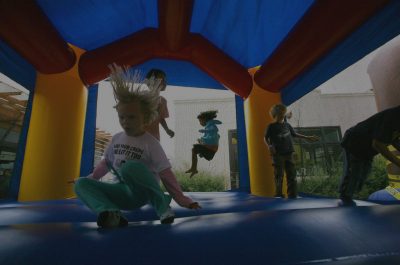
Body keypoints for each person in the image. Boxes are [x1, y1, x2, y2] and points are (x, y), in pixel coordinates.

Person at [74, 64, 200, 228]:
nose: (125, 122)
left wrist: (182, 199)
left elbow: (165, 172)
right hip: (122, 192)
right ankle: (111, 213)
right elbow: (107, 163)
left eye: (131, 117)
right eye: (122, 117)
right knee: (81, 183)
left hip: (141, 191)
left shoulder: (152, 138)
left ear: (146, 117)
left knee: (130, 167)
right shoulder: (118, 137)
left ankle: (162, 206)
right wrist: (91, 179)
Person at [339, 105, 400, 206]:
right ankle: (345, 199)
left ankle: (349, 196)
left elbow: (393, 139)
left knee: (363, 175)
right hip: (354, 143)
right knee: (354, 173)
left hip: (367, 150)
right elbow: (377, 144)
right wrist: (397, 162)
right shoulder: (393, 117)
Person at [264, 104, 319, 199]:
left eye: (283, 113)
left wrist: (307, 137)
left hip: (289, 153)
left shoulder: (287, 125)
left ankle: (292, 195)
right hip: (278, 155)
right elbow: (265, 138)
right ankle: (278, 195)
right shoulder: (271, 126)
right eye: (280, 113)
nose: (282, 115)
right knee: (279, 175)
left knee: (292, 175)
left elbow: (294, 134)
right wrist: (269, 146)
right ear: (275, 114)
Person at [185, 110, 222, 178]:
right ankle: (194, 168)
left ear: (204, 119)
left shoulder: (211, 125)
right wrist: (202, 140)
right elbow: (209, 136)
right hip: (210, 150)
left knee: (195, 148)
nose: (200, 123)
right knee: (195, 149)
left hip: (211, 150)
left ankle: (194, 168)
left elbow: (215, 130)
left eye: (200, 121)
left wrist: (204, 131)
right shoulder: (208, 125)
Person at [144, 69, 174, 141]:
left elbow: (160, 117)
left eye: (164, 80)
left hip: (154, 137)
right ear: (151, 82)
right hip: (139, 136)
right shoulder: (142, 97)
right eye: (161, 79)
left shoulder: (163, 101)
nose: (165, 82)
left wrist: (167, 129)